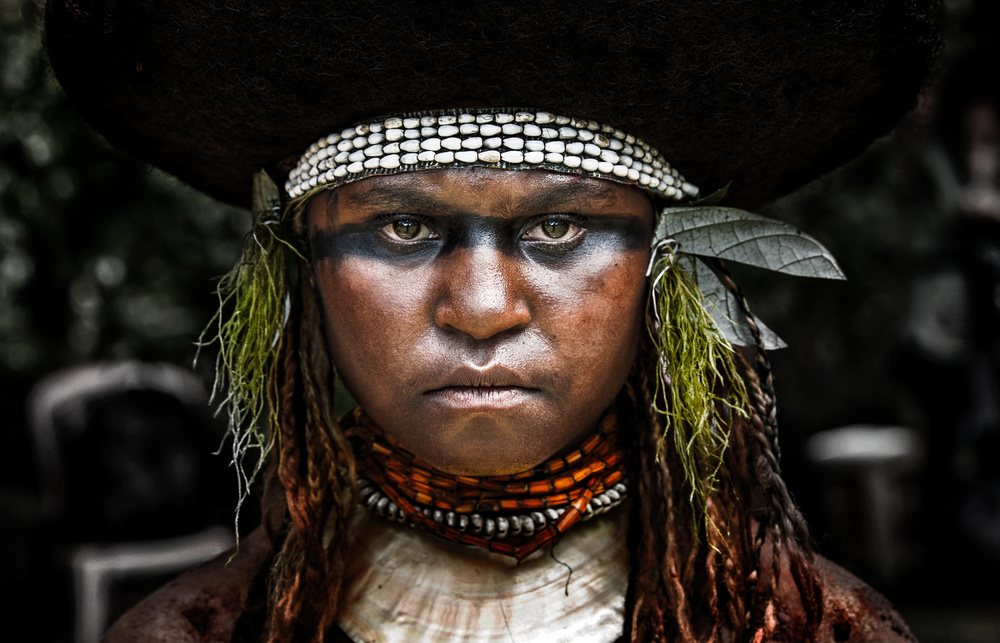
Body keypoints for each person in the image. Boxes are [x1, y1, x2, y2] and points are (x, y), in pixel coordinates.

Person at [42, 1, 940, 641]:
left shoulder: (817, 628)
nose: (480, 309)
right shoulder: (194, 631)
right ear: (305, 269)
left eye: (560, 227)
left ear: (665, 273)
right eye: (403, 227)